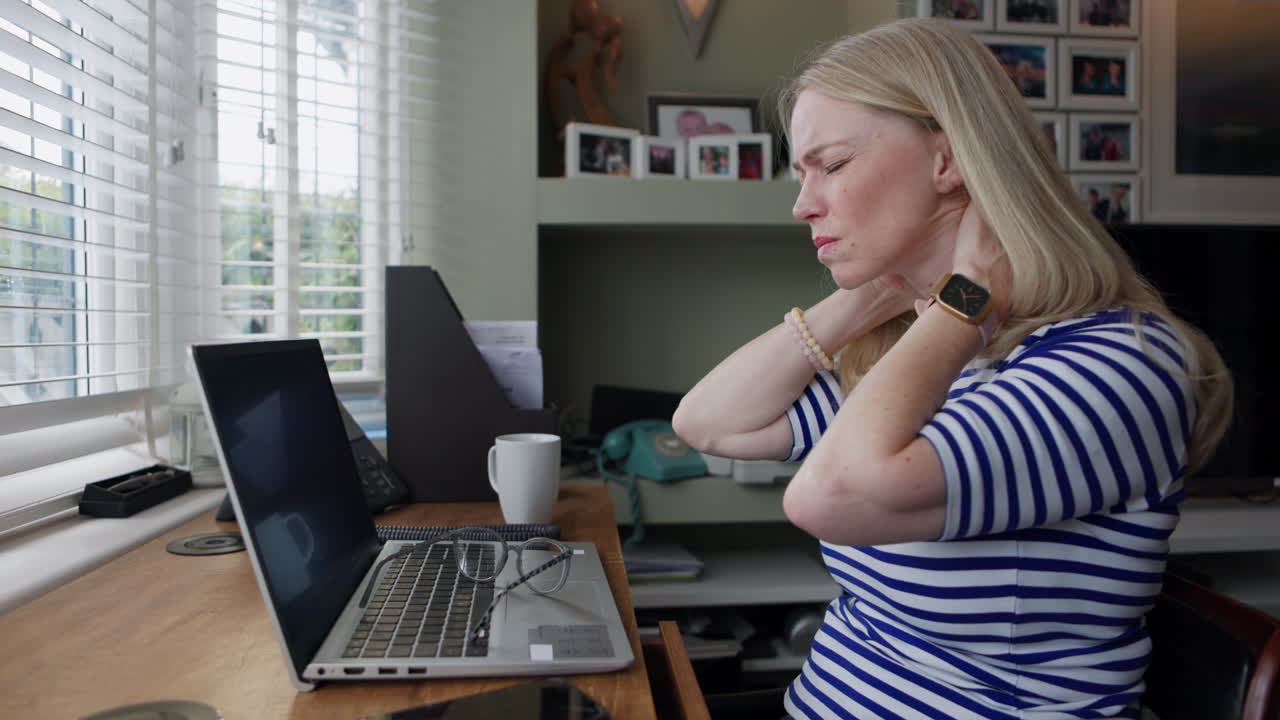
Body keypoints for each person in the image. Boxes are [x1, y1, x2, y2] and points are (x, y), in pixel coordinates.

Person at [671, 17, 1232, 720]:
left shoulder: (1121, 364)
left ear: (948, 158)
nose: (802, 203)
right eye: (801, 173)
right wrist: (872, 293)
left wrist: (963, 296)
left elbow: (828, 497)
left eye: (833, 164)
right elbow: (708, 422)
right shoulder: (932, 352)